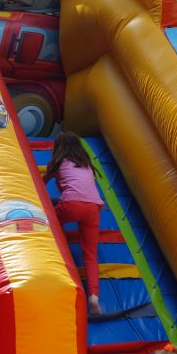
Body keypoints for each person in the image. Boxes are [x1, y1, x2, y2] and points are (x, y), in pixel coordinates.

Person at [42, 131, 104, 318]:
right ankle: (93, 297)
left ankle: (57, 257)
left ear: (58, 149)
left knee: (50, 222)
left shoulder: (58, 162)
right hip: (93, 208)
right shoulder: (86, 165)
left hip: (71, 204)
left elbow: (40, 184)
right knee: (90, 256)